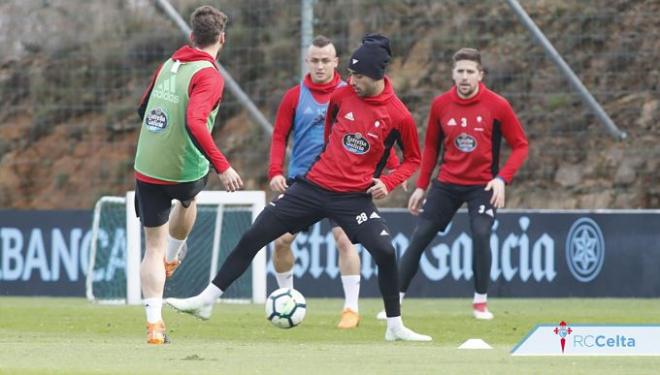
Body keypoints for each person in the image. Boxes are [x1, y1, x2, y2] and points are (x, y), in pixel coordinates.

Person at [167, 34, 432, 342]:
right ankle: (206, 301)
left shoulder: (398, 115)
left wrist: (388, 181)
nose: (350, 80)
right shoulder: (342, 96)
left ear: (376, 75)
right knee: (256, 234)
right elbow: (332, 130)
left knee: (386, 251)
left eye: (357, 75)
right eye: (349, 73)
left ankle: (394, 326)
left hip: (353, 199)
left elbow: (414, 159)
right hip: (313, 187)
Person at [377, 47, 528, 321]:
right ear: (453, 74)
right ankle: (394, 300)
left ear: (480, 75)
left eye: (471, 71)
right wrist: (422, 186)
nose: (465, 77)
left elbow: (520, 145)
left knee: (481, 234)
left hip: (483, 185)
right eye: (460, 71)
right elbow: (432, 147)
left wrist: (501, 179)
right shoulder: (441, 105)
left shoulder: (498, 106)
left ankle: (480, 302)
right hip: (447, 183)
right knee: (421, 235)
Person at [268, 35, 399, 329]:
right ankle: (285, 296)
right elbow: (279, 135)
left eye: (325, 60)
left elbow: (377, 137)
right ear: (307, 61)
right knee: (281, 241)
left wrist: (392, 172)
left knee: (343, 240)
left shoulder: (355, 91)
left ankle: (350, 308)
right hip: (304, 182)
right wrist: (275, 171)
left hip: (345, 185)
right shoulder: (294, 96)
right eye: (314, 60)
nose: (320, 66)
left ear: (337, 62)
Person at [133, 5, 243, 344]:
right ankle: (174, 255)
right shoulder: (209, 75)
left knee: (151, 246)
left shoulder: (169, 64)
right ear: (221, 39)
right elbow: (195, 121)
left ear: (191, 37)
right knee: (188, 197)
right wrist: (222, 165)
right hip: (183, 168)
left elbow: (143, 107)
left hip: (148, 165)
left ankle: (154, 326)